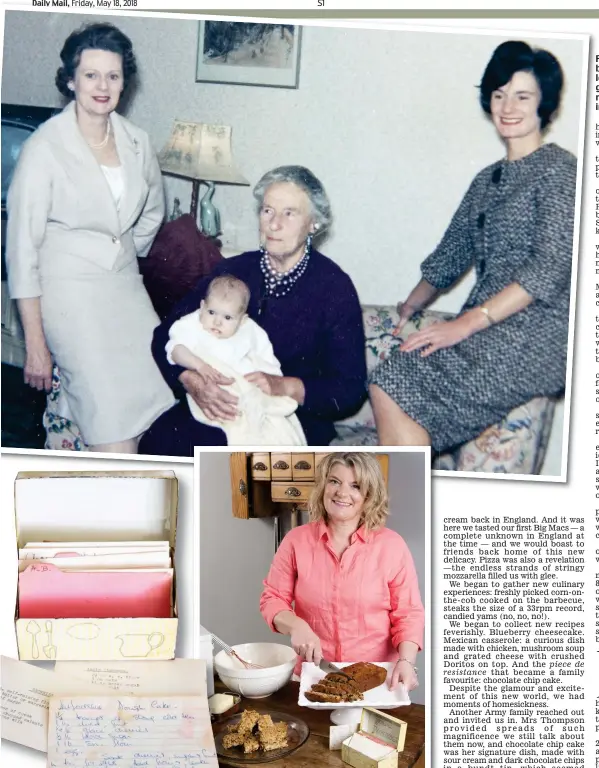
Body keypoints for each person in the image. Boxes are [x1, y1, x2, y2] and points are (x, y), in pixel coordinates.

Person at [369, 40, 577, 453]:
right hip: (492, 326)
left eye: (522, 96)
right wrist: (411, 305)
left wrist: (465, 323)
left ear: (544, 104)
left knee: (393, 381)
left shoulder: (561, 171)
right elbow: (452, 252)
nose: (508, 106)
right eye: (499, 95)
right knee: (390, 377)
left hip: (535, 330)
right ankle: (401, 504)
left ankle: (396, 508)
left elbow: (549, 268)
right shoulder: (487, 179)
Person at [6, 23, 174, 454]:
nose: (103, 86)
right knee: (112, 424)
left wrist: (123, 255)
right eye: (91, 75)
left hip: (124, 290)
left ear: (124, 83)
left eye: (113, 76)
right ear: (70, 80)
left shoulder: (137, 141)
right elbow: (22, 251)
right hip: (69, 295)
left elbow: (152, 210)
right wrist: (36, 346)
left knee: (156, 398)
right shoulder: (45, 147)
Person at [139, 166, 367, 455]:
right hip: (215, 403)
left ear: (314, 224)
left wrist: (284, 386)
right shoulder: (233, 271)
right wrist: (190, 379)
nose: (274, 224)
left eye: (289, 213)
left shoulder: (334, 287)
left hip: (288, 417)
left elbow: (350, 388)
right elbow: (165, 335)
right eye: (268, 211)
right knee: (159, 446)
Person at [259, 452, 424, 691]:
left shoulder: (392, 546)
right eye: (334, 481)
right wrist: (296, 625)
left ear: (369, 496)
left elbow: (408, 614)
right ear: (323, 486)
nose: (342, 493)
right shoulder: (296, 541)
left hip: (375, 680)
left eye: (355, 486)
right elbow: (272, 598)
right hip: (314, 676)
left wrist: (406, 661)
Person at [166, 274, 306, 445]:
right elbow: (175, 350)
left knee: (276, 432)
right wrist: (199, 365)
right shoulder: (192, 324)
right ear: (202, 306)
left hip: (245, 390)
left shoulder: (250, 332)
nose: (217, 322)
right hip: (210, 389)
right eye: (211, 312)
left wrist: (265, 385)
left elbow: (268, 365)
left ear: (242, 320)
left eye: (227, 318)